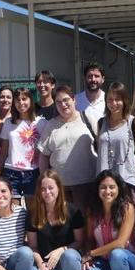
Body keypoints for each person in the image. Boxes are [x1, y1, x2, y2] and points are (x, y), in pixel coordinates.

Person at [80, 170, 135, 270]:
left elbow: (120, 243)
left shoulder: (127, 208)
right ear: (97, 190)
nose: (107, 191)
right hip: (104, 260)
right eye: (103, 187)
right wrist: (88, 258)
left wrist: (91, 253)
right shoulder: (92, 210)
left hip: (126, 260)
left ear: (119, 188)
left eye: (112, 187)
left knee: (117, 254)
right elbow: (88, 239)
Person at [27, 170, 85, 270]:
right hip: (46, 263)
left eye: (51, 187)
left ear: (59, 188)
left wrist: (62, 250)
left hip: (67, 260)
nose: (47, 192)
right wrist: (40, 264)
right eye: (43, 189)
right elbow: (32, 246)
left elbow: (79, 242)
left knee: (70, 255)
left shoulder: (72, 210)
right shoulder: (34, 213)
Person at [37, 85, 98, 216]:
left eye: (66, 100)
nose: (63, 105)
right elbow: (43, 155)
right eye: (58, 102)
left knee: (83, 221)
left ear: (73, 99)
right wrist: (44, 179)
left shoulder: (88, 120)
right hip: (60, 186)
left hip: (85, 183)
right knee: (63, 221)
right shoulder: (51, 125)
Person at [96, 82, 135, 221]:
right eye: (110, 99)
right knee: (107, 222)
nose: (114, 103)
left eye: (118, 99)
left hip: (126, 182)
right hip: (104, 184)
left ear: (125, 101)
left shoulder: (134, 122)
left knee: (126, 223)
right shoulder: (101, 123)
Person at [0, 87, 47, 204]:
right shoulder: (8, 123)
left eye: (24, 99)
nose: (21, 103)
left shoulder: (41, 123)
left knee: (33, 212)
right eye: (17, 100)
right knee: (14, 212)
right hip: (11, 172)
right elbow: (3, 152)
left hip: (33, 172)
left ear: (31, 100)